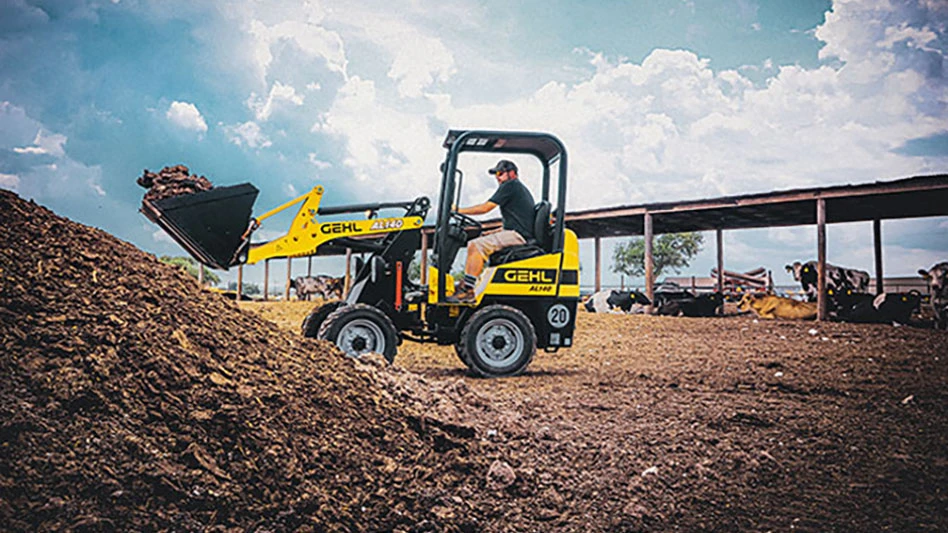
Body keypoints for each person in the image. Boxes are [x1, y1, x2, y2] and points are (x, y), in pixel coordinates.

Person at [448, 159, 536, 302]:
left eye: (500, 173)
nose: (498, 177)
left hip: (519, 236)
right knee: (479, 240)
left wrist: (458, 210)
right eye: (496, 174)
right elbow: (515, 222)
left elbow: (486, 208)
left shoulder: (511, 185)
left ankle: (467, 290)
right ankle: (468, 285)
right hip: (518, 233)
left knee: (476, 245)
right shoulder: (517, 189)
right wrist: (491, 232)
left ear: (512, 173)